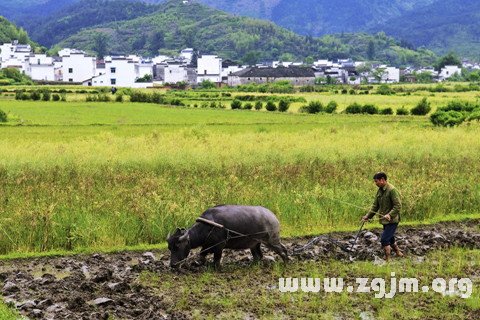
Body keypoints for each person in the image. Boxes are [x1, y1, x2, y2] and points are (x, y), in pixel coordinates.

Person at [362, 172, 403, 261]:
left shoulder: (392, 190)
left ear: (382, 180)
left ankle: (387, 259)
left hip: (392, 220)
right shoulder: (380, 190)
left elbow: (398, 206)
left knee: (384, 240)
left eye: (376, 181)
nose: (375, 183)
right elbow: (375, 206)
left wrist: (389, 214)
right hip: (385, 220)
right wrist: (367, 216)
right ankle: (398, 253)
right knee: (390, 238)